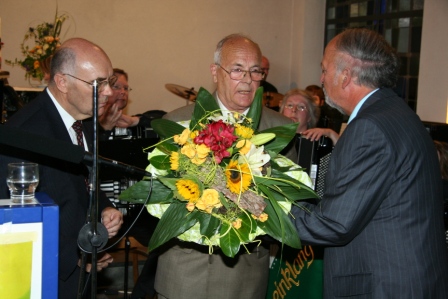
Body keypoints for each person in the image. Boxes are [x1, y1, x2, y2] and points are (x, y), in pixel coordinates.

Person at [290, 28, 448, 298]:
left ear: (346, 75)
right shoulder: (397, 111)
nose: (321, 79)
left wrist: (260, 213)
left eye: (325, 70)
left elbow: (334, 224)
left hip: (384, 286)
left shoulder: (370, 126)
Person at [153, 34, 296, 299]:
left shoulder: (278, 129)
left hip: (247, 275)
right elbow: (159, 195)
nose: (247, 80)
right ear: (215, 72)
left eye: (255, 72)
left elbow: (288, 202)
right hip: (188, 275)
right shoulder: (179, 123)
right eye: (237, 70)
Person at [0, 38, 124, 299]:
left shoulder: (82, 119)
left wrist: (105, 207)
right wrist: (77, 258)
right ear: (62, 82)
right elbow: (18, 216)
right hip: (46, 277)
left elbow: (82, 180)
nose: (109, 92)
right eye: (97, 83)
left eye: (109, 82)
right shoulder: (25, 134)